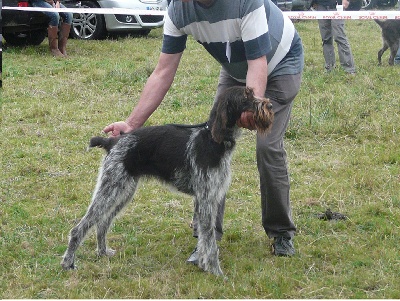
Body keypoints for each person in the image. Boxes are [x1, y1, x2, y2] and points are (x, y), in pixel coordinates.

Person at [104, 0, 304, 258]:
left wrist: (250, 108)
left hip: (279, 63)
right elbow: (163, 71)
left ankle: (281, 233)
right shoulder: (178, 10)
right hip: (236, 70)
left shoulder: (245, 3)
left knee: (267, 147)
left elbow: (258, 62)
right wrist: (132, 124)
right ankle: (206, 238)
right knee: (210, 144)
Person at [313, 0, 356, 74]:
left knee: (339, 37)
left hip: (337, 5)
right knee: (326, 38)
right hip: (321, 5)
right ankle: (329, 67)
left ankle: (349, 69)